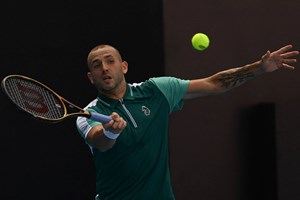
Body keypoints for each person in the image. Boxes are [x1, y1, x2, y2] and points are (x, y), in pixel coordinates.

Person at [76, 44, 298, 200]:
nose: (104, 68)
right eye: (97, 65)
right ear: (91, 77)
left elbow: (213, 84)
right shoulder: (89, 113)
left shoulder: (156, 90)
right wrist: (111, 132)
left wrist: (259, 68)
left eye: (110, 61)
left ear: (123, 66)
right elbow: (100, 142)